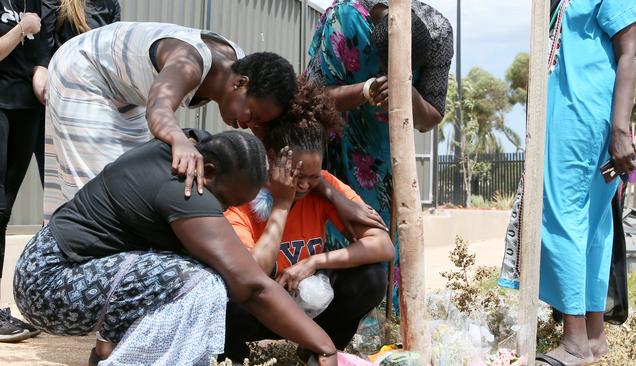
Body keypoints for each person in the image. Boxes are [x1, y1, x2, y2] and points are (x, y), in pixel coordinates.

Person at [13, 130, 339, 366]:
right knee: (203, 281)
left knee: (197, 268)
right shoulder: (184, 190)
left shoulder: (193, 149)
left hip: (72, 271)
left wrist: (338, 200)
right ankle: (117, 356)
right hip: (50, 284)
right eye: (223, 203)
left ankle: (109, 350)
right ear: (208, 173)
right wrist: (323, 345)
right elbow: (251, 285)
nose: (220, 213)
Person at [43, 21, 297, 222]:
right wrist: (179, 140)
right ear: (241, 84)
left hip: (127, 93)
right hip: (83, 70)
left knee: (128, 182)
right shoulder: (190, 62)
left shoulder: (240, 65)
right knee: (96, 192)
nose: (249, 124)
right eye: (252, 115)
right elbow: (158, 108)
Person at [221, 83, 394, 362]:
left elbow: (383, 246)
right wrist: (282, 203)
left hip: (309, 303)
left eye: (312, 178)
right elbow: (251, 274)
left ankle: (318, 348)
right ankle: (234, 358)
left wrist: (314, 262)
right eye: (296, 175)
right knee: (229, 302)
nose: (303, 185)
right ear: (273, 158)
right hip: (260, 307)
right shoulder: (243, 194)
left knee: (372, 277)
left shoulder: (321, 187)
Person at [305, 0, 453, 310]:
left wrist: (406, 90)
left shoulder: (438, 33)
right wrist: (366, 90)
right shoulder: (344, 18)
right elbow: (312, 99)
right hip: (337, 152)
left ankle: (381, 334)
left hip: (389, 163)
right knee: (337, 250)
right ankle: (330, 336)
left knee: (386, 253)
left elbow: (431, 117)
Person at [535, 0, 636, 365]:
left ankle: (575, 342)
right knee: (593, 227)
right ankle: (594, 337)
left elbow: (629, 55)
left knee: (562, 218)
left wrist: (620, 130)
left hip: (584, 117)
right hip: (575, 115)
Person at [0, 0, 49, 342]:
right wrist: (21, 29)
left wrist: (41, 73)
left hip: (27, 109)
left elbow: (41, 54)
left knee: (3, 212)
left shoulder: (32, 2)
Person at [31, 0, 121, 184]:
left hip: (96, 106)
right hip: (60, 103)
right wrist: (41, 76)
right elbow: (44, 53)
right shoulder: (56, 3)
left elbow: (112, 55)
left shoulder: (111, 4)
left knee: (94, 180)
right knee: (59, 181)